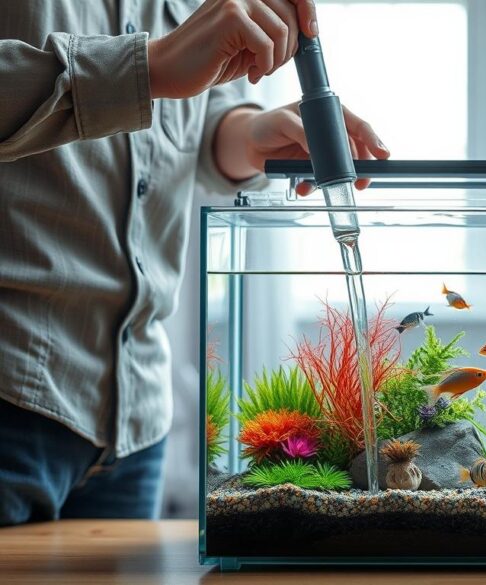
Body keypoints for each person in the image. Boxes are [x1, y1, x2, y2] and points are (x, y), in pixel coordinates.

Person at [0, 0, 389, 525]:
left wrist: (250, 137)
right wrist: (151, 66)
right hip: (13, 389)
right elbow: (161, 73)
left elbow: (193, 123)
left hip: (137, 418)